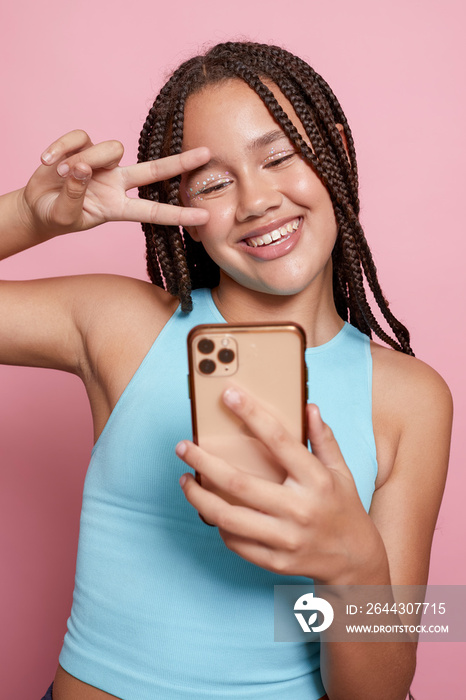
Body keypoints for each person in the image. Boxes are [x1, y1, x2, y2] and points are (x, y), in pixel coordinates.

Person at [0, 41, 452, 700]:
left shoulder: (412, 398)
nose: (256, 201)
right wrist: (30, 215)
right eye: (214, 183)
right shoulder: (121, 324)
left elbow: (378, 690)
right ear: (183, 216)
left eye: (278, 157)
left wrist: (349, 571)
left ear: (337, 150)